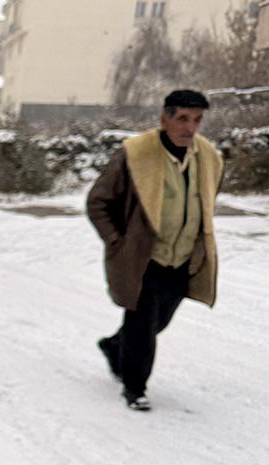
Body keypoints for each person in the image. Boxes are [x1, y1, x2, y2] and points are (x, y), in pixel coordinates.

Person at [86, 89, 224, 412]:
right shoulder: (135, 154)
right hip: (144, 259)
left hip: (182, 259)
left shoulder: (208, 158)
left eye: (197, 120)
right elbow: (98, 202)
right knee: (143, 325)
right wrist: (118, 242)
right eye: (182, 119)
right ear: (164, 119)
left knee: (156, 322)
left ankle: (113, 346)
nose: (190, 128)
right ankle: (135, 387)